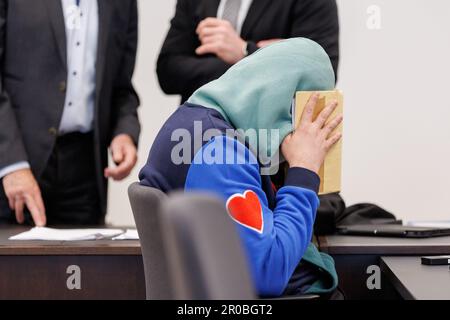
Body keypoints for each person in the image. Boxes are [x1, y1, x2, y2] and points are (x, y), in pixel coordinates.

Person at [140, 38, 342, 297]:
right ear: (288, 105)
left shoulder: (194, 124)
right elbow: (268, 273)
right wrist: (304, 170)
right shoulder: (219, 152)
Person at [0, 0, 140, 226]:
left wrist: (124, 131)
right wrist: (11, 164)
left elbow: (121, 87)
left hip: (85, 171)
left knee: (84, 260)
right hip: (16, 162)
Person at [157, 0, 340, 103]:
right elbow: (167, 71)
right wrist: (268, 57)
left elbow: (320, 75)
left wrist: (245, 51)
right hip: (196, 141)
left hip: (269, 151)